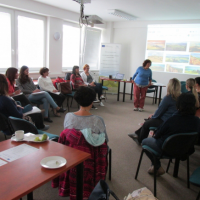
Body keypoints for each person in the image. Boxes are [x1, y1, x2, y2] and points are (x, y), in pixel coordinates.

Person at [142, 93, 200, 176]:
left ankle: (157, 166)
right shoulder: (197, 121)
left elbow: (157, 135)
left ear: (178, 105)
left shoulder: (172, 120)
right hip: (185, 150)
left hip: (166, 149)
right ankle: (156, 166)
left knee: (144, 141)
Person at [128, 78, 181, 145]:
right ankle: (137, 133)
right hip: (175, 120)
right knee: (149, 121)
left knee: (147, 123)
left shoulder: (168, 98)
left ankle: (140, 140)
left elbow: (159, 111)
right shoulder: (181, 97)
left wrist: (153, 115)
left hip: (166, 121)